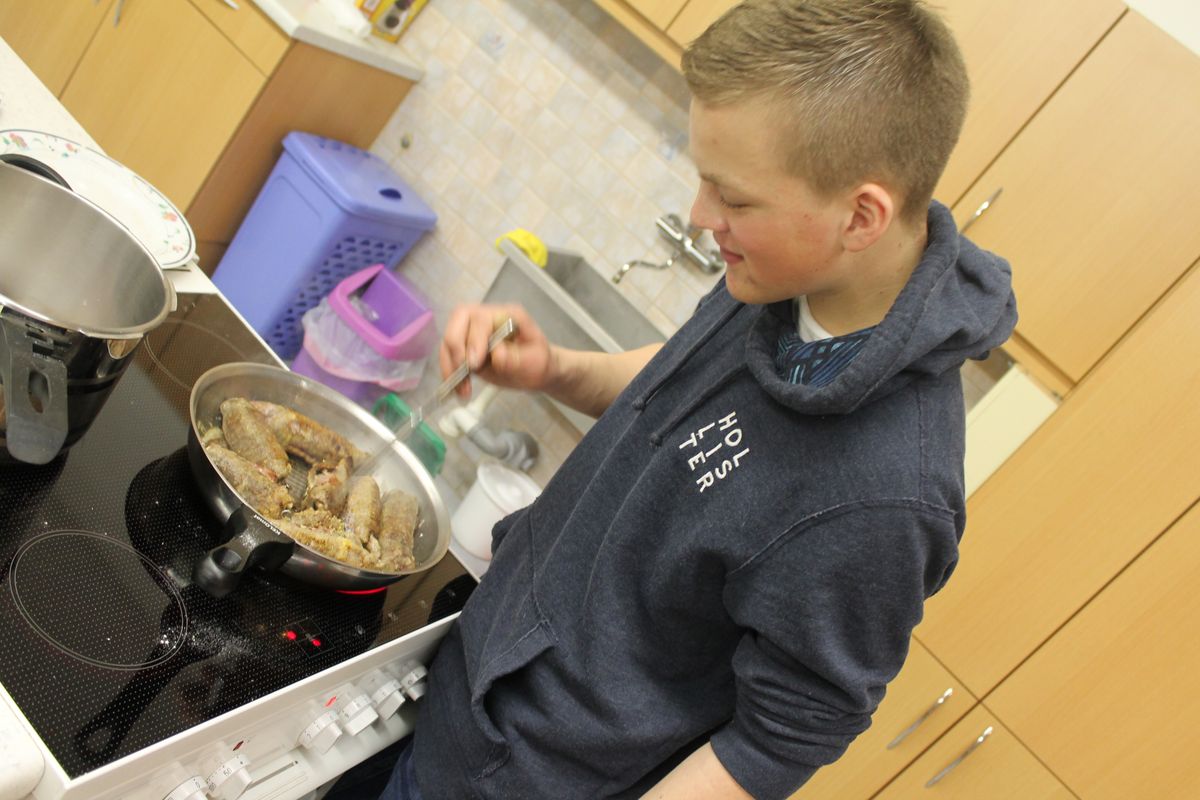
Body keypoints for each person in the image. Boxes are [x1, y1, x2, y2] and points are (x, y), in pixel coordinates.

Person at [327, 1, 1015, 797]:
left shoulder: (884, 500)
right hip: (467, 688)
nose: (701, 217)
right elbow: (687, 390)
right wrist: (556, 369)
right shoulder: (793, 278)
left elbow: (782, 737)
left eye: (735, 199)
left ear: (861, 215)